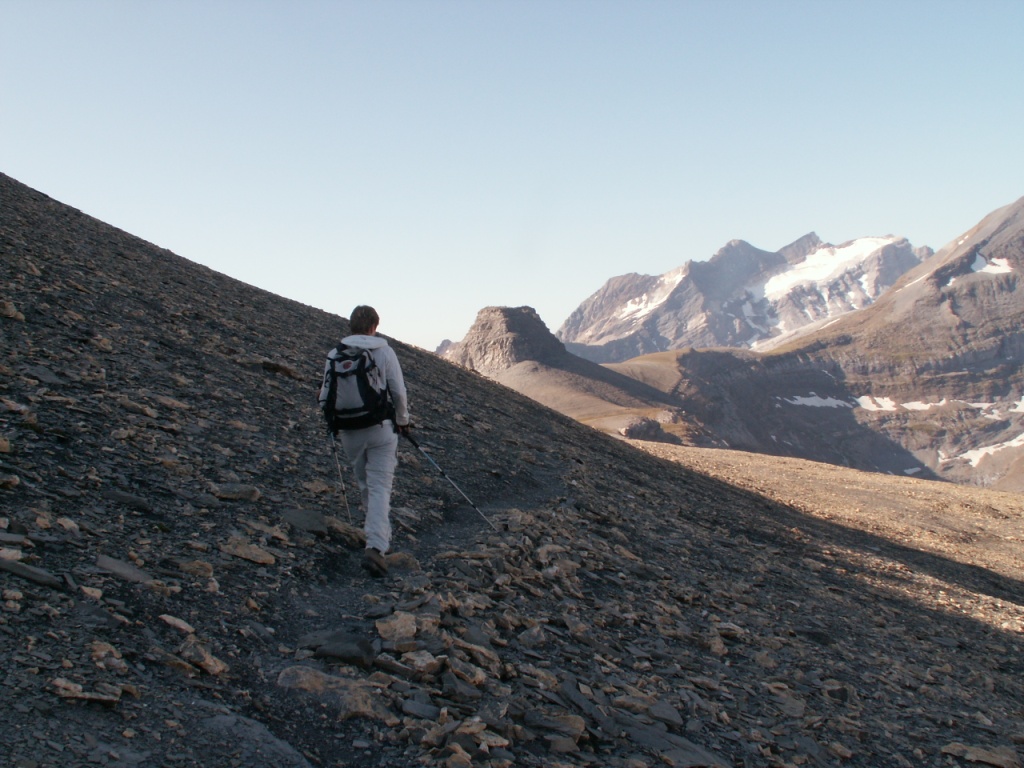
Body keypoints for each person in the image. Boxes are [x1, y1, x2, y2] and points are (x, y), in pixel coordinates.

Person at [319, 305, 410, 577]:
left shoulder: (335, 354)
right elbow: (398, 390)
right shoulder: (383, 351)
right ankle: (376, 546)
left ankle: (376, 537)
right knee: (380, 484)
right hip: (380, 427)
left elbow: (325, 396)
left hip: (348, 429)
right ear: (374, 326)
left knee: (365, 483)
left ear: (351, 325)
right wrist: (403, 420)